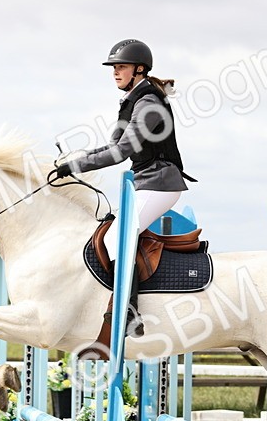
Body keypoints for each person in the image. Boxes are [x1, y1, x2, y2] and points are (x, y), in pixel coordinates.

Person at [53, 38, 195, 337]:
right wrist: (76, 158)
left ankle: (129, 312)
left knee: (118, 238)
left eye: (121, 67)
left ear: (139, 70)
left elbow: (121, 152)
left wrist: (76, 166)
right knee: (109, 232)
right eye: (114, 67)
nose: (115, 73)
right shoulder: (134, 100)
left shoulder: (148, 105)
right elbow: (113, 145)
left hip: (160, 184)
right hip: (147, 182)